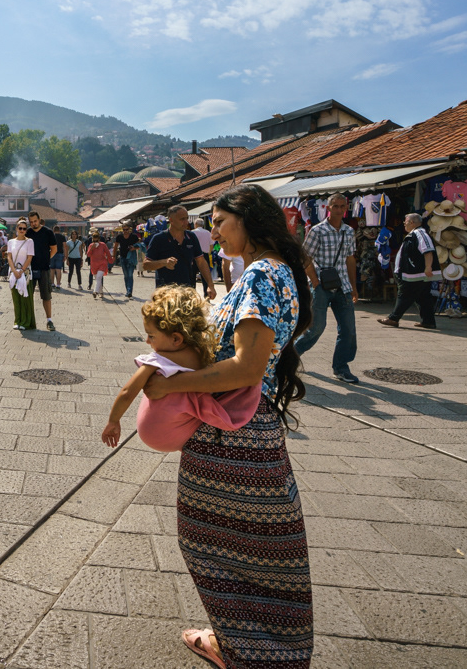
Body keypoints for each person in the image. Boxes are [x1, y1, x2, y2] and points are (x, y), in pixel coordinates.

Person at [142, 184, 313, 669]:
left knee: (214, 543)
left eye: (219, 221)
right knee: (257, 546)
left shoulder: (261, 274)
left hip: (232, 435)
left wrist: (173, 385)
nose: (212, 232)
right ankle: (261, 648)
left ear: (249, 219)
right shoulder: (281, 271)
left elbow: (246, 368)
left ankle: (245, 650)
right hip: (250, 431)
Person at [102, 285, 255, 452]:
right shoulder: (201, 356)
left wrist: (113, 421)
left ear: (176, 339)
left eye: (151, 336)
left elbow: (127, 392)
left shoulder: (158, 360)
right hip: (184, 435)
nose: (147, 341)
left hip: (168, 436)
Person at [295, 192, 359, 383]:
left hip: (343, 286)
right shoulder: (318, 231)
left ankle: (341, 367)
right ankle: (290, 356)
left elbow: (350, 259)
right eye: (335, 206)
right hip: (321, 286)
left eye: (342, 206)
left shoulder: (349, 231)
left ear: (346, 208)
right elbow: (305, 258)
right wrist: (315, 282)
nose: (339, 210)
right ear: (328, 208)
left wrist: (354, 286)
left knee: (348, 329)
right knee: (316, 328)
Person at [145, 205, 216, 301]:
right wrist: (164, 262)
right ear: (171, 220)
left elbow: (201, 262)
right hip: (165, 294)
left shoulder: (191, 237)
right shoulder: (159, 238)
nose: (186, 222)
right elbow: (146, 265)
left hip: (187, 292)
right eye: (182, 219)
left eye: (187, 218)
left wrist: (210, 285)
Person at [380, 212, 437, 330]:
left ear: (411, 222)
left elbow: (428, 250)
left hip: (416, 274)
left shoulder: (420, 234)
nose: (404, 224)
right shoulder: (414, 234)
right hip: (415, 274)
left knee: (404, 294)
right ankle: (428, 321)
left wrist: (428, 267)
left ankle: (394, 318)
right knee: (423, 297)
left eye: (405, 221)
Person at [26, 210, 58, 331]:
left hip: (44, 268)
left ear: (39, 220)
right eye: (31, 222)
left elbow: (54, 249)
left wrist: (46, 259)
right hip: (30, 268)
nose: (33, 223)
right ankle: (29, 320)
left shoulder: (48, 232)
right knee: (28, 295)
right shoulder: (28, 232)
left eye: (35, 221)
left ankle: (49, 320)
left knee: (46, 295)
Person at [6, 220, 36, 330]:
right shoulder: (11, 242)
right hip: (13, 273)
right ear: (16, 229)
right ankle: (17, 320)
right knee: (16, 298)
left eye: (24, 228)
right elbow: (9, 257)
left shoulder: (29, 241)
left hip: (25, 273)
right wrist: (14, 271)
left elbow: (29, 257)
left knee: (25, 298)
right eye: (20, 228)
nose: (22, 230)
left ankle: (25, 322)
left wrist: (21, 271)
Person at [114, 223, 139, 298]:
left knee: (130, 275)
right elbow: (115, 246)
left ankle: (129, 291)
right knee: (126, 275)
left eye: (126, 229)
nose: (125, 231)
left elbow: (139, 245)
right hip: (123, 257)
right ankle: (128, 290)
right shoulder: (119, 237)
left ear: (129, 229)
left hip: (131, 258)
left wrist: (134, 248)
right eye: (124, 230)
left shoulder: (134, 236)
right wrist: (113, 256)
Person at [86, 232, 113, 299]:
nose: (95, 242)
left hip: (102, 263)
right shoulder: (91, 245)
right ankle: (101, 292)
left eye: (97, 240)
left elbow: (108, 253)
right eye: (94, 240)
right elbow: (88, 255)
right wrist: (92, 248)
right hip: (94, 264)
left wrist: (111, 261)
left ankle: (95, 291)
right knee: (98, 279)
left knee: (98, 277)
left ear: (99, 239)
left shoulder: (103, 245)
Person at [192, 217, 214, 292]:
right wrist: (209, 252)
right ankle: (206, 293)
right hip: (205, 255)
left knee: (192, 275)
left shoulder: (192, 233)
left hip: (194, 255)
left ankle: (192, 292)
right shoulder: (208, 233)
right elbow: (211, 245)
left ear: (195, 224)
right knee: (205, 276)